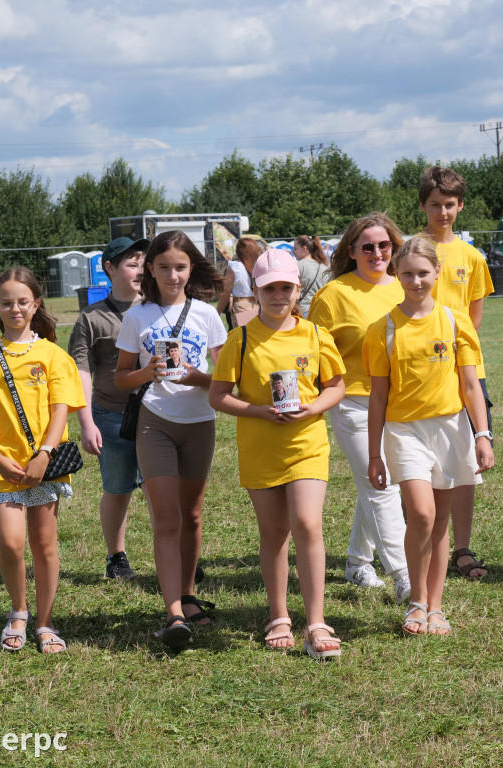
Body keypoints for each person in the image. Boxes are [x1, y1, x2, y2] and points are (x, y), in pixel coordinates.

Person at [210, 249, 347, 659]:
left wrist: (315, 407)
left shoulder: (316, 335)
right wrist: (258, 411)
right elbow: (218, 396)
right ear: (255, 290)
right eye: (269, 288)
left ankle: (316, 621)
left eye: (285, 287)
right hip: (260, 447)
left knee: (307, 523)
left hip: (307, 444)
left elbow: (336, 385)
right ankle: (278, 615)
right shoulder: (240, 339)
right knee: (273, 533)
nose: (278, 294)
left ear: (297, 289)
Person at [364, 236, 494, 636]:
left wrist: (482, 435)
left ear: (437, 272)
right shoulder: (381, 328)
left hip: (452, 429)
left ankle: (434, 608)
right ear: (395, 274)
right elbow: (379, 396)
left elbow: (471, 386)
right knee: (421, 513)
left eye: (423, 273)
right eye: (407, 274)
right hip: (404, 432)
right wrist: (374, 455)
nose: (416, 281)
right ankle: (415, 601)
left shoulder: (456, 322)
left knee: (440, 524)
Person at [114, 230, 226, 650]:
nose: (172, 275)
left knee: (192, 515)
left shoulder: (207, 314)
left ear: (190, 268)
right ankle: (174, 611)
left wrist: (195, 377)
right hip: (154, 422)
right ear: (150, 270)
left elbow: (225, 376)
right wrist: (148, 373)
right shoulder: (136, 317)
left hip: (199, 421)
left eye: (180, 267)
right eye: (163, 267)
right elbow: (121, 377)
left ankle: (189, 595)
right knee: (167, 518)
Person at [0, 266, 86, 654]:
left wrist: (44, 455)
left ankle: (45, 622)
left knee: (44, 544)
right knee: (11, 542)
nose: (15, 308)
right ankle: (18, 611)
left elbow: (59, 411)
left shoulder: (53, 355)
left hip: (45, 467)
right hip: (4, 468)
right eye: (6, 302)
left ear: (36, 304)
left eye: (22, 301)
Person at [308, 213, 410, 603]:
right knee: (381, 484)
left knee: (381, 480)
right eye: (367, 246)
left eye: (384, 245)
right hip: (352, 400)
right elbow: (312, 350)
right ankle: (405, 575)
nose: (377, 252)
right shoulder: (332, 296)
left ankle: (355, 562)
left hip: (401, 402)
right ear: (350, 252)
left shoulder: (405, 286)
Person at [418, 164, 495, 581]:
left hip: (465, 370)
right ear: (423, 205)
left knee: (464, 460)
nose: (442, 212)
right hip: (419, 372)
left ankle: (462, 549)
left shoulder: (472, 257)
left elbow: (474, 321)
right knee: (420, 461)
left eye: (449, 205)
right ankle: (426, 544)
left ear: (460, 205)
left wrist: (458, 359)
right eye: (435, 205)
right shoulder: (409, 251)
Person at [68, 237, 147, 581]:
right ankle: (116, 557)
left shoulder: (158, 309)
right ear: (110, 269)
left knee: (165, 490)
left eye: (144, 263)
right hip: (111, 417)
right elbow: (81, 372)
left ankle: (177, 553)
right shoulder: (92, 318)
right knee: (118, 489)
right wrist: (86, 422)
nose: (140, 270)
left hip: (158, 417)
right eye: (131, 264)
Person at [216, 237, 261, 329]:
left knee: (242, 338)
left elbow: (225, 295)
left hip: (241, 306)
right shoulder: (258, 266)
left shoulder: (235, 267)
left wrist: (216, 313)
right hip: (259, 306)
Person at [292, 235, 330, 318]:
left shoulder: (298, 266)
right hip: (320, 312)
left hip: (302, 311)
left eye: (295, 248)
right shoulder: (323, 267)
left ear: (304, 249)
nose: (293, 252)